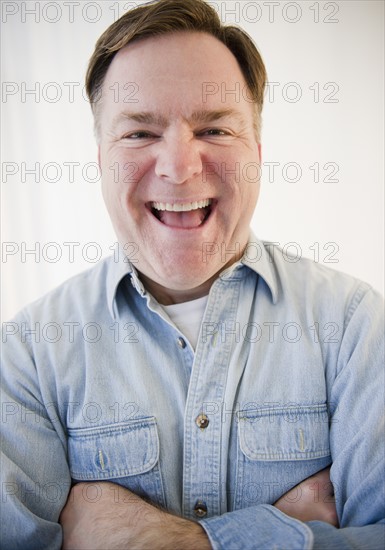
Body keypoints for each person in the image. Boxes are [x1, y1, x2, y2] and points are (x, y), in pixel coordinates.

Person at [1, 0, 384, 548]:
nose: (179, 167)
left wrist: (179, 540)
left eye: (214, 129)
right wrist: (292, 535)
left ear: (256, 151)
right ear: (100, 160)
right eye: (138, 133)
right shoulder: (29, 353)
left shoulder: (355, 327)